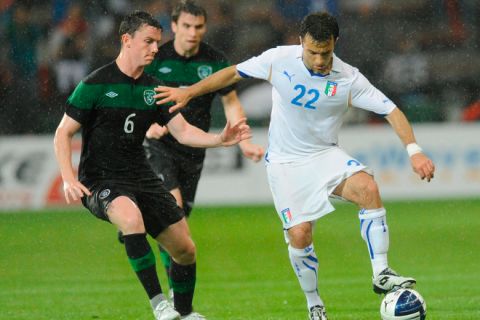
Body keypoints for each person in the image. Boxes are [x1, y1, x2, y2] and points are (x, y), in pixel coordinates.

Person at [153, 12, 436, 320]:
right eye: (312, 52)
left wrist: (414, 150)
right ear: (301, 42)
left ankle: (381, 271)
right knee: (300, 234)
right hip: (285, 163)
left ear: (334, 44)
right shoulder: (279, 59)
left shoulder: (349, 78)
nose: (318, 60)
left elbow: (391, 111)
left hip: (325, 154)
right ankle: (314, 302)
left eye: (325, 53)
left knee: (368, 188)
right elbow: (232, 73)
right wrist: (189, 91)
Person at [53, 11, 251, 320]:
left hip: (141, 178)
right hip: (101, 181)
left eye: (158, 43)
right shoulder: (95, 84)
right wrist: (67, 177)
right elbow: (63, 132)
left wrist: (219, 140)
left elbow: (183, 132)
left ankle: (184, 313)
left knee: (186, 249)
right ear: (126, 40)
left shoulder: (155, 89)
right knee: (132, 220)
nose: (155, 49)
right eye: (148, 42)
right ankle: (160, 304)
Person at [117, 0, 265, 296]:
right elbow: (128, 92)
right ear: (173, 26)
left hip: (193, 149)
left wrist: (245, 141)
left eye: (198, 27)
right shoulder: (156, 57)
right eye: (186, 26)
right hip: (157, 146)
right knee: (173, 215)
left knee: (174, 227)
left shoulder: (214, 61)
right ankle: (174, 294)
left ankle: (139, 220)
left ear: (205, 28)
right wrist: (146, 124)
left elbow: (230, 102)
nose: (192, 32)